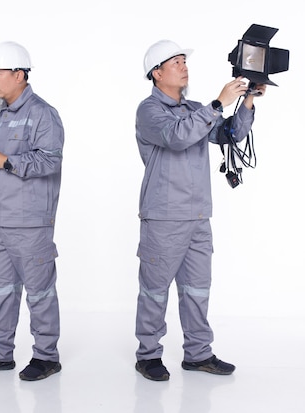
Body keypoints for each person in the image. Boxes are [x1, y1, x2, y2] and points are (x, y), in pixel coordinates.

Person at [134, 39, 266, 381]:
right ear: (156, 73)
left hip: (197, 215)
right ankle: (148, 355)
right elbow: (177, 137)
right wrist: (218, 102)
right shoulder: (149, 111)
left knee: (197, 288)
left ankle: (198, 354)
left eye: (184, 61)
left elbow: (231, 134)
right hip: (163, 216)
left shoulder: (195, 107)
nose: (184, 66)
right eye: (176, 62)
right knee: (155, 289)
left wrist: (247, 98)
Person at [0, 41, 65, 381]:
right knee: (1, 291)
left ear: (19, 75)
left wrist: (3, 161)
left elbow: (50, 161)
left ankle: (46, 356)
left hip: (31, 222)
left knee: (40, 292)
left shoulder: (43, 114)